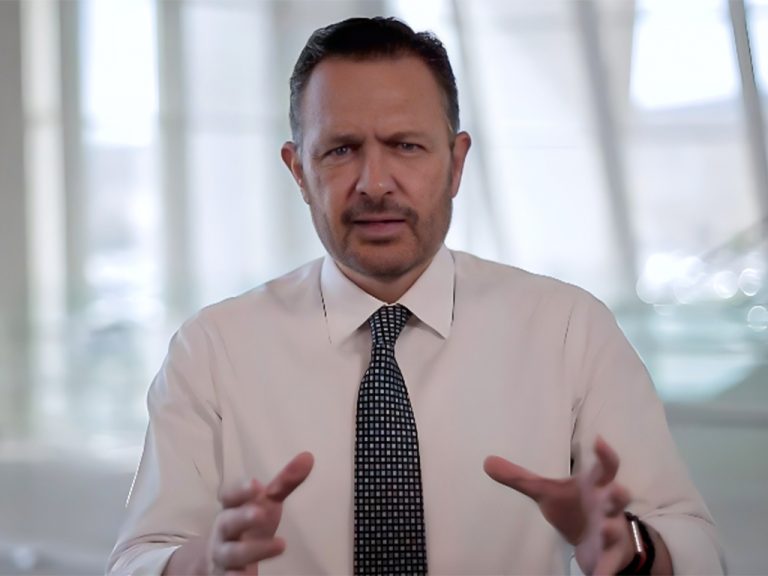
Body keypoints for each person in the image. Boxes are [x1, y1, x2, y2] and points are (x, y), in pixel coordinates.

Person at [108, 17, 725, 576]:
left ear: (456, 163)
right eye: (341, 150)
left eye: (406, 145)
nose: (375, 183)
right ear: (299, 171)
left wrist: (632, 550)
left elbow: (694, 544)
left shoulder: (569, 329)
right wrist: (202, 564)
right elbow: (139, 557)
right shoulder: (212, 350)